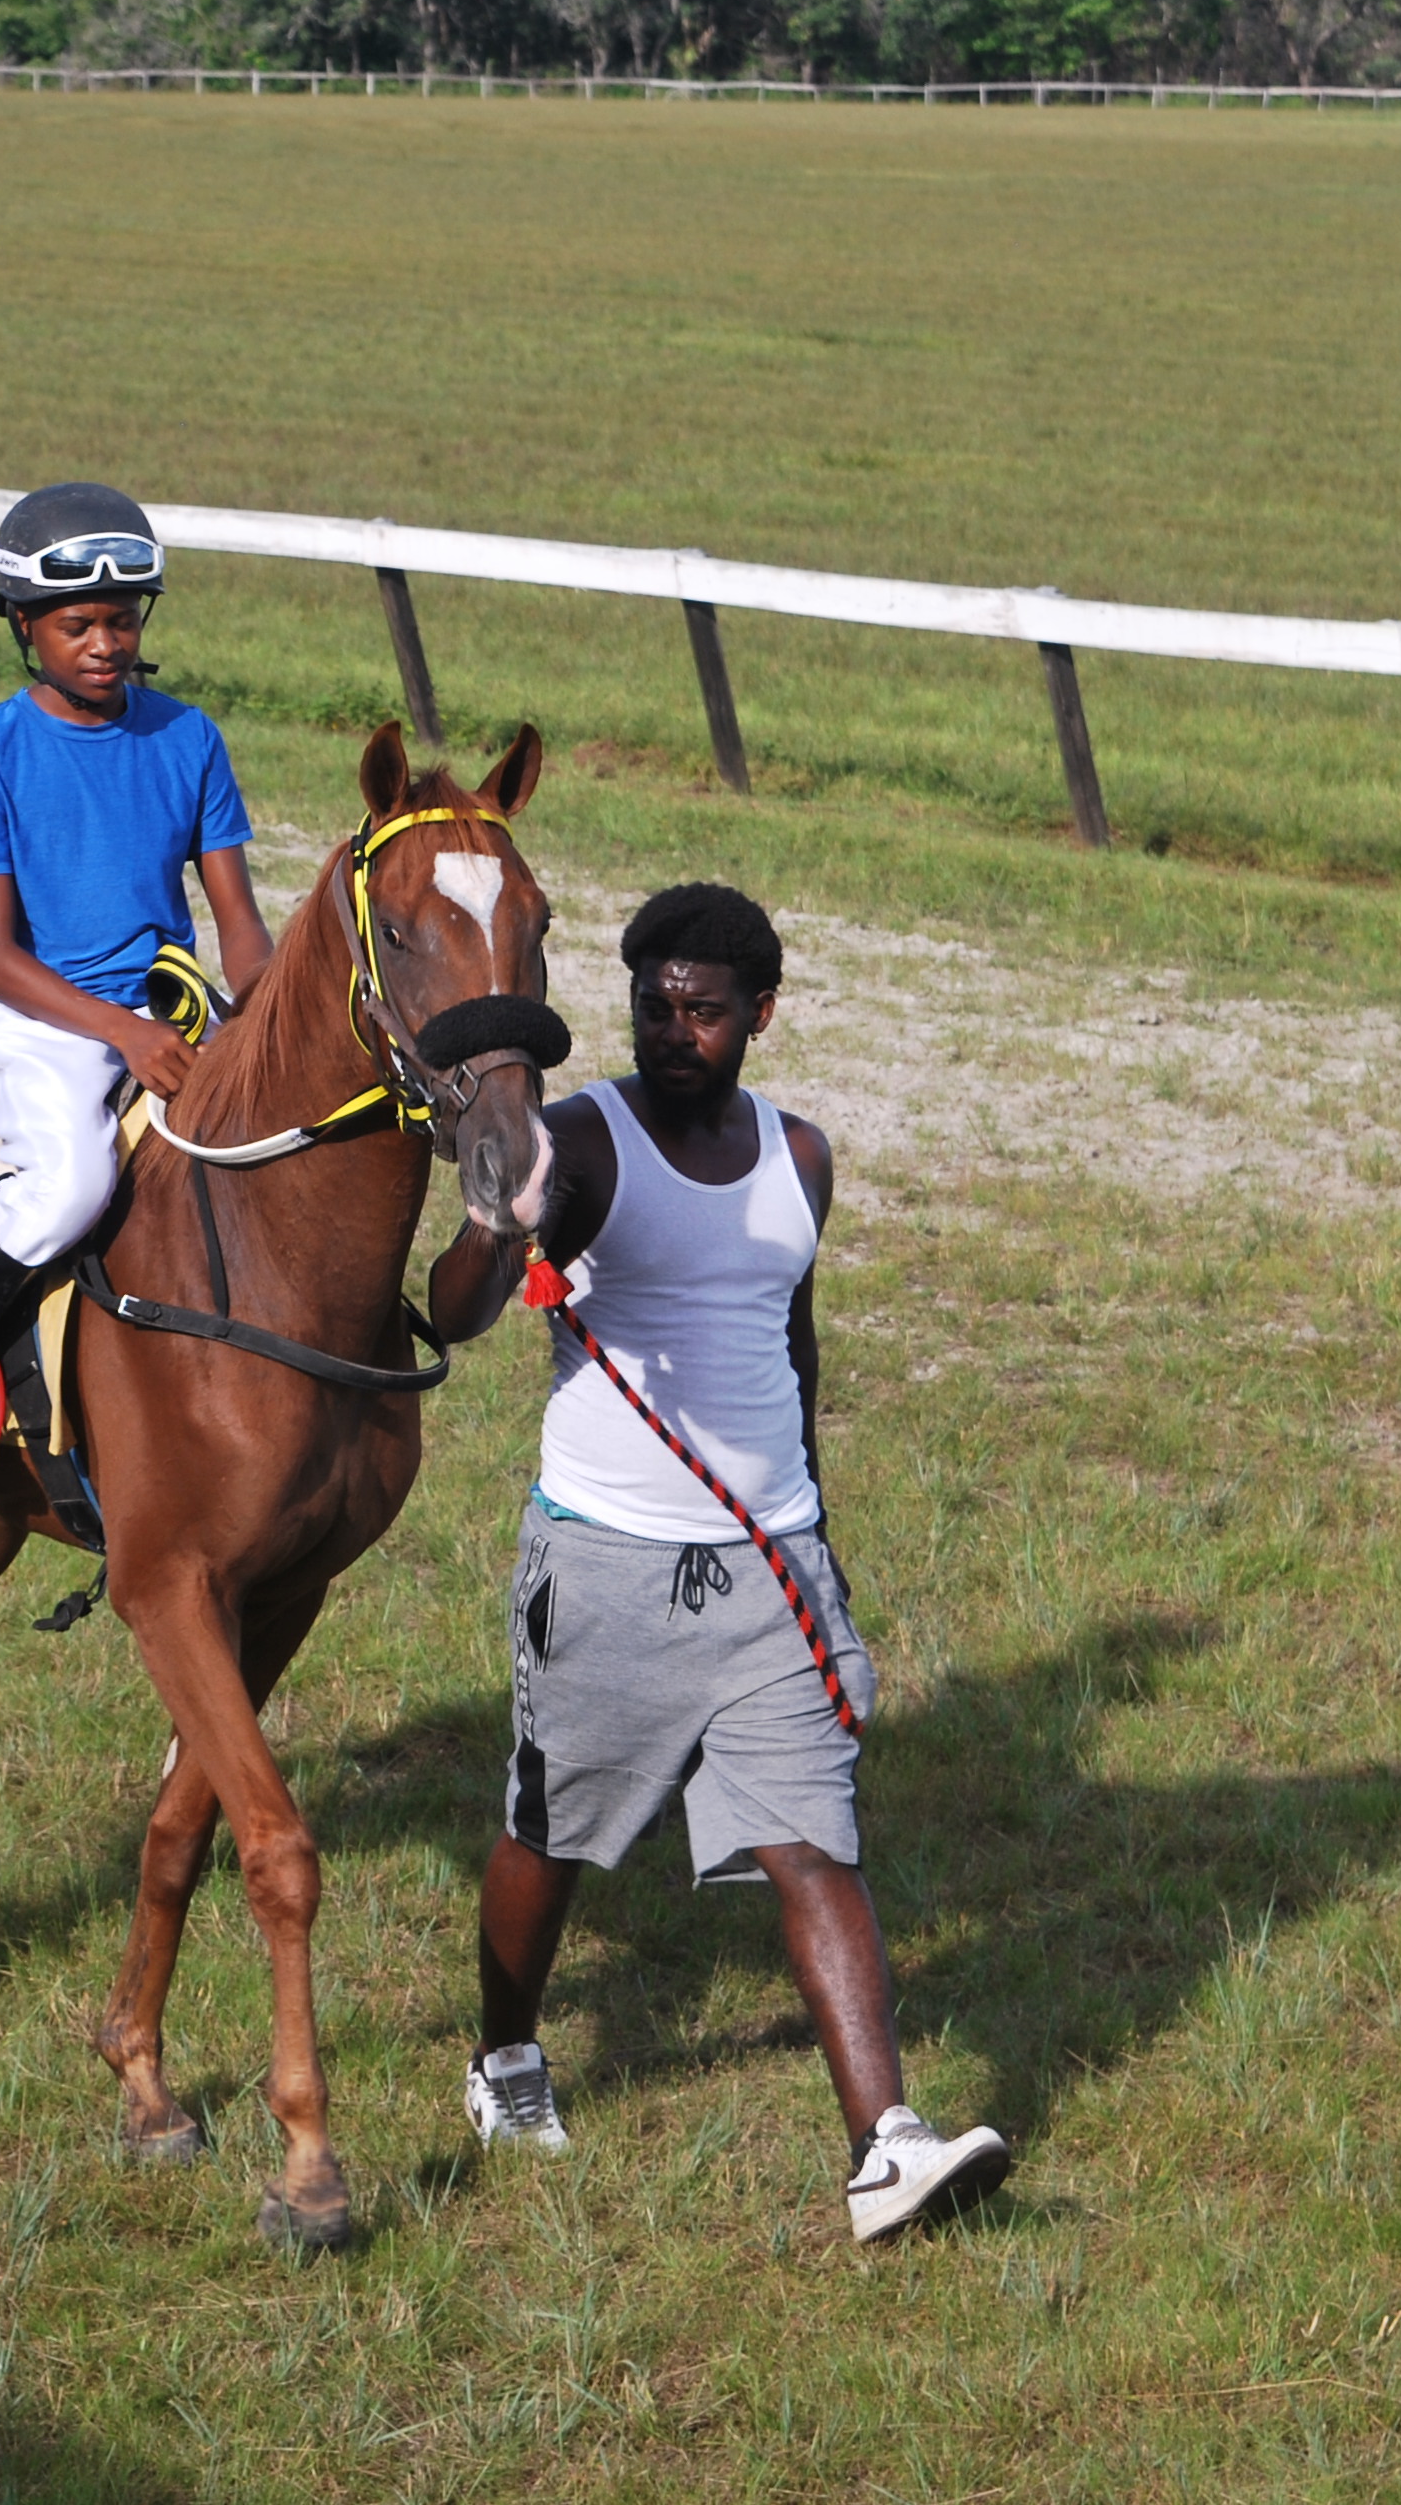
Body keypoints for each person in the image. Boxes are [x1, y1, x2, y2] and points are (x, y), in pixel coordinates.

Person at [422, 883, 1012, 2246]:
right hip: (609, 1566)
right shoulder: (587, 1142)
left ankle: (886, 2146)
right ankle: (507, 2057)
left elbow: (787, 1348)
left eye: (704, 1009)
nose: (674, 1029)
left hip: (769, 1567)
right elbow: (450, 1318)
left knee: (814, 1843)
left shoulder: (799, 1158)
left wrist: (817, 1538)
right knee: (549, 1831)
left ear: (762, 1016)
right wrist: (493, 1221)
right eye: (653, 1005)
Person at [0, 484, 276, 1461]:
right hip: (46, 1018)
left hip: (176, 1007)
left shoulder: (187, 737)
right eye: (75, 624)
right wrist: (122, 1032)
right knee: (68, 1185)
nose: (104, 642)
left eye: (121, 620)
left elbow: (239, 923)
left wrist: (269, 1016)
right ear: (23, 625)